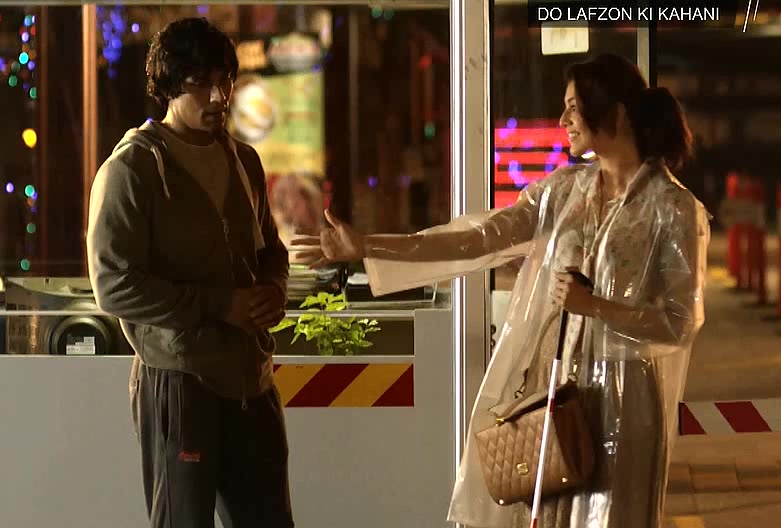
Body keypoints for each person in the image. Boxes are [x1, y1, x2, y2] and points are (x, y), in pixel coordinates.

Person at [294, 53, 709, 528]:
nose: (563, 120)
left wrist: (594, 306)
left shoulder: (673, 208)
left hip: (624, 396)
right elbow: (479, 238)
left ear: (614, 112)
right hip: (555, 386)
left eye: (573, 107)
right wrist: (369, 246)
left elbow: (679, 321)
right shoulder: (564, 191)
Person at [85, 17, 294, 528]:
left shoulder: (243, 160)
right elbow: (113, 284)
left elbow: (270, 249)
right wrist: (221, 304)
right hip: (179, 379)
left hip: (250, 379)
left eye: (226, 81)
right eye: (202, 83)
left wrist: (273, 287)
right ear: (170, 85)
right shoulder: (133, 168)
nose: (219, 96)